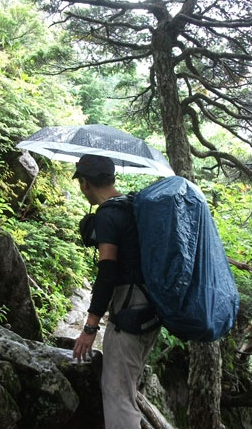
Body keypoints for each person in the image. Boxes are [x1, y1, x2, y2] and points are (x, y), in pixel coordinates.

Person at [71, 154, 160, 429]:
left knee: (117, 395)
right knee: (126, 389)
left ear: (85, 183)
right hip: (151, 311)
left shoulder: (108, 214)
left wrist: (90, 327)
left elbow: (107, 272)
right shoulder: (133, 207)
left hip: (129, 314)